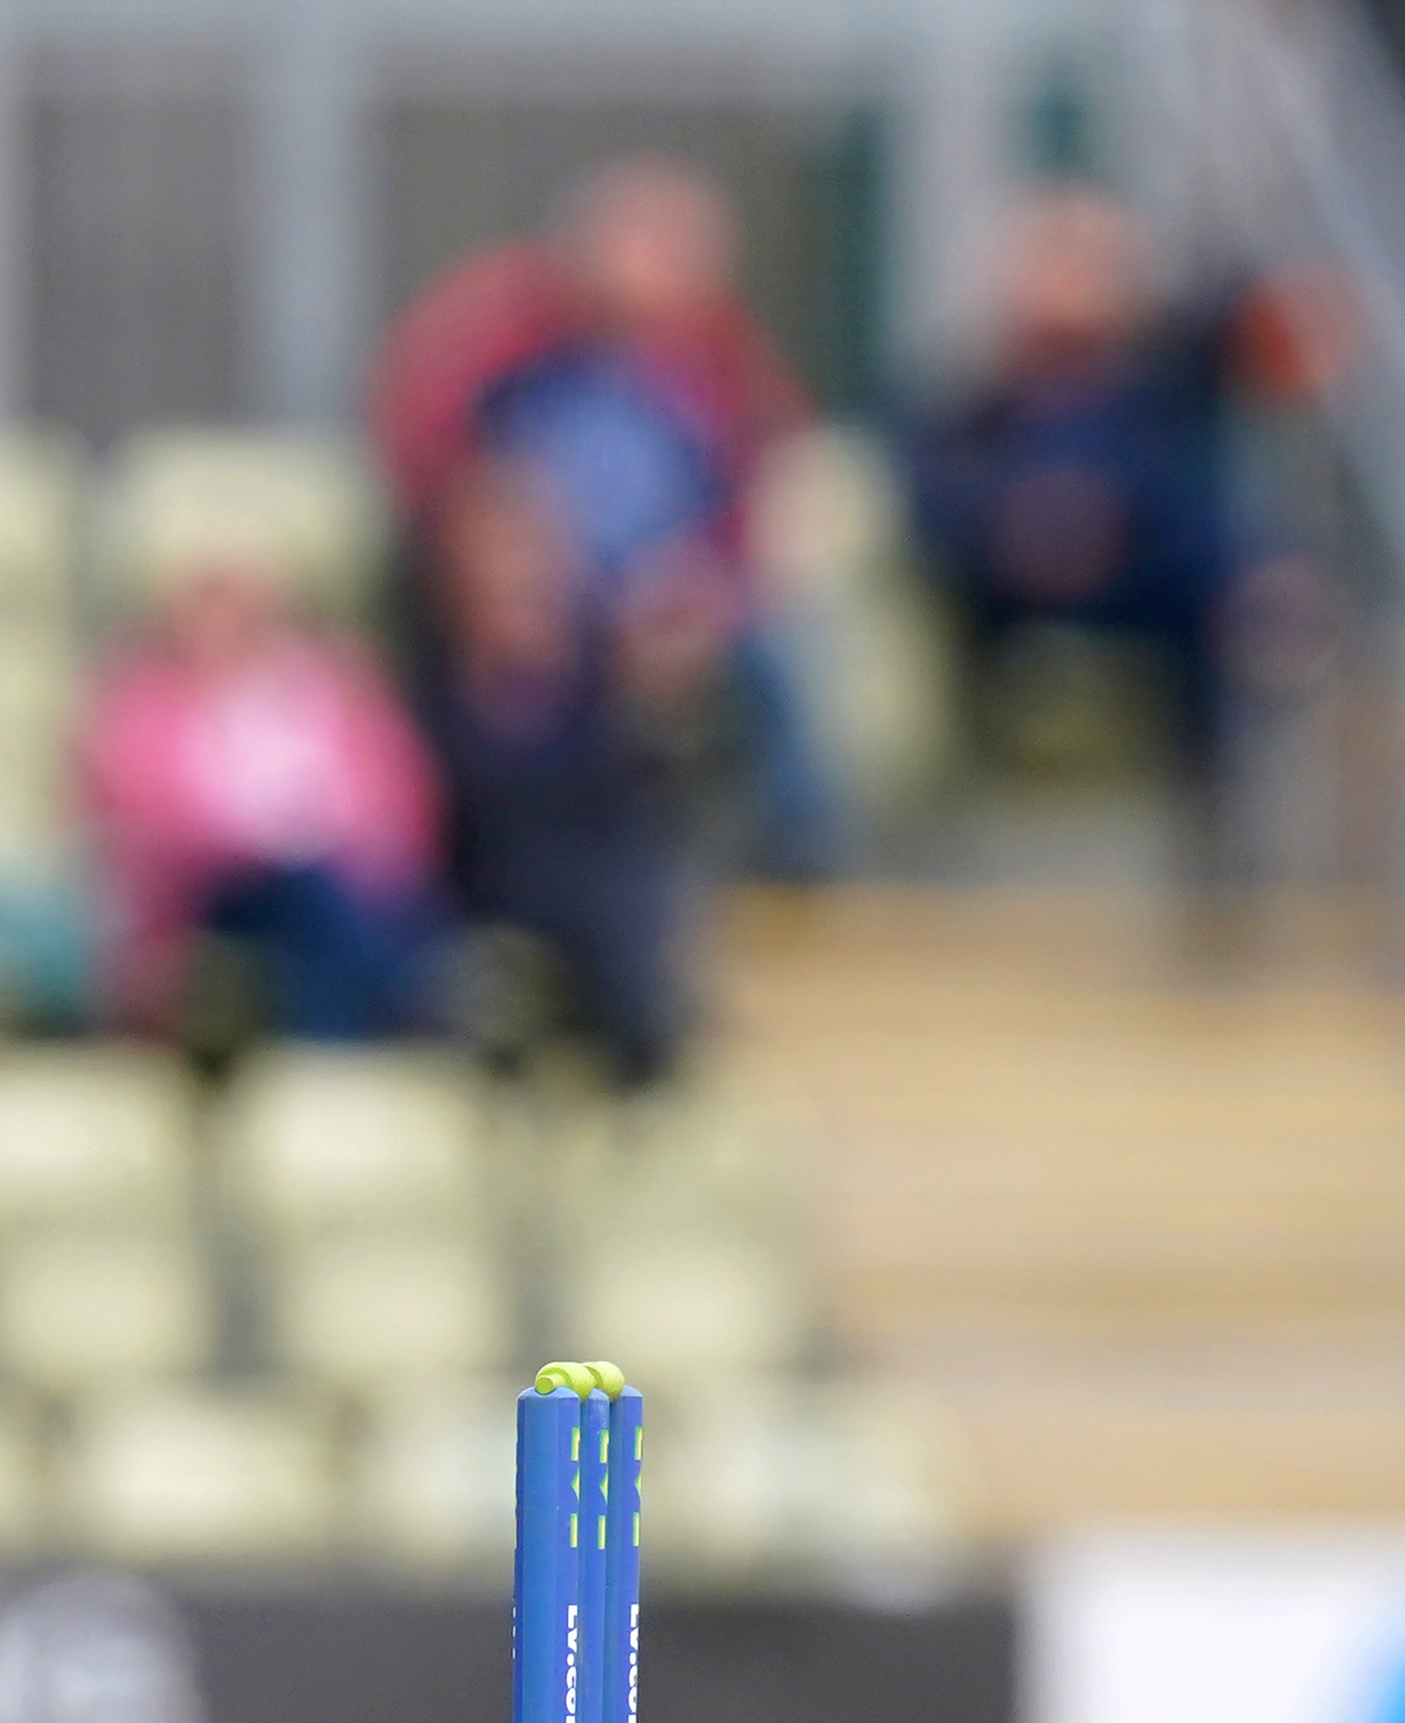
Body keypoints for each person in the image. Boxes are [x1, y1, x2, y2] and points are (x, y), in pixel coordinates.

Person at [374, 158, 842, 878]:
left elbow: (749, 469)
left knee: (779, 652)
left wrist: (710, 585)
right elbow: (433, 458)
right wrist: (512, 582)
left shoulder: (710, 349)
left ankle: (795, 855)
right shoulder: (498, 328)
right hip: (522, 588)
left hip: (664, 589)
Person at [903, 185, 1323, 869]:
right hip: (996, 589)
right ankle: (937, 850)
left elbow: (1183, 498)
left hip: (1132, 577)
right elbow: (932, 496)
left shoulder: (1152, 394)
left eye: (1092, 265)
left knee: (1214, 579)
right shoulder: (976, 400)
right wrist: (1020, 523)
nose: (1075, 283)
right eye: (1058, 262)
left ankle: (1216, 848)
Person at [403, 449, 713, 1086]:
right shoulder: (429, 682)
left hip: (604, 888)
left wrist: (663, 708)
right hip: (485, 889)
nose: (514, 571)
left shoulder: (609, 671)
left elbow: (660, 794)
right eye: (494, 550)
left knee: (626, 902)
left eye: (528, 548)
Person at [78, 550, 444, 1042]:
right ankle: (380, 1027)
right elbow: (152, 831)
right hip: (214, 899)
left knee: (332, 905)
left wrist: (337, 846)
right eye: (209, 603)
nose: (224, 622)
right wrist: (268, 842)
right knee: (309, 894)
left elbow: (402, 806)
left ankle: (351, 1046)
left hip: (340, 887)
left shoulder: (333, 688)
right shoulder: (146, 702)